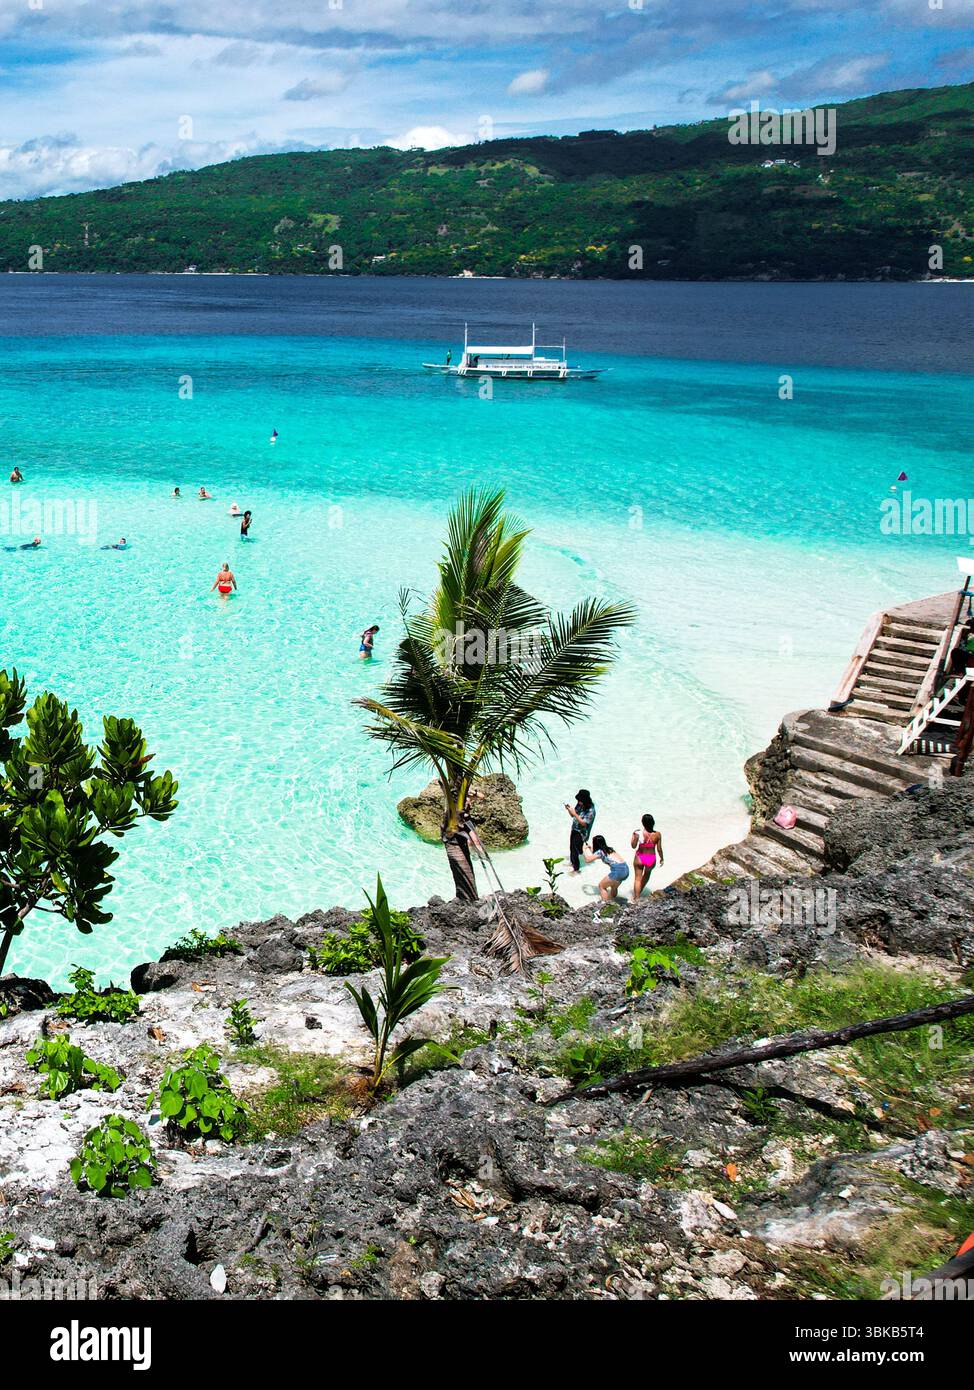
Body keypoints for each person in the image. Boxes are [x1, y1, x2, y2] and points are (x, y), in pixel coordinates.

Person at [583, 835, 630, 906]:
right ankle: (614, 901)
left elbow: (587, 860)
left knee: (601, 886)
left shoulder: (600, 852)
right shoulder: (610, 849)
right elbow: (596, 854)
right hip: (625, 869)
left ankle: (605, 905)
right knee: (614, 887)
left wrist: (583, 849)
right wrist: (590, 848)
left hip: (618, 871)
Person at [631, 813, 663, 898]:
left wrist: (633, 836)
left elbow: (633, 846)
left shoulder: (638, 833)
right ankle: (638, 894)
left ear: (642, 822)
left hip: (639, 857)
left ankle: (636, 898)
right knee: (646, 875)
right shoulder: (658, 834)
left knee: (637, 879)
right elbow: (659, 849)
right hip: (651, 858)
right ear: (653, 822)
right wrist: (662, 858)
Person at [565, 789, 595, 873]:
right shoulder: (579, 804)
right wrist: (569, 810)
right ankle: (573, 862)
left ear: (585, 800)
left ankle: (576, 869)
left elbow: (584, 824)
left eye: (579, 800)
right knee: (572, 847)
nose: (578, 802)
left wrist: (574, 814)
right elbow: (573, 815)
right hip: (574, 829)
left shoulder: (591, 810)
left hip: (582, 833)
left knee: (575, 850)